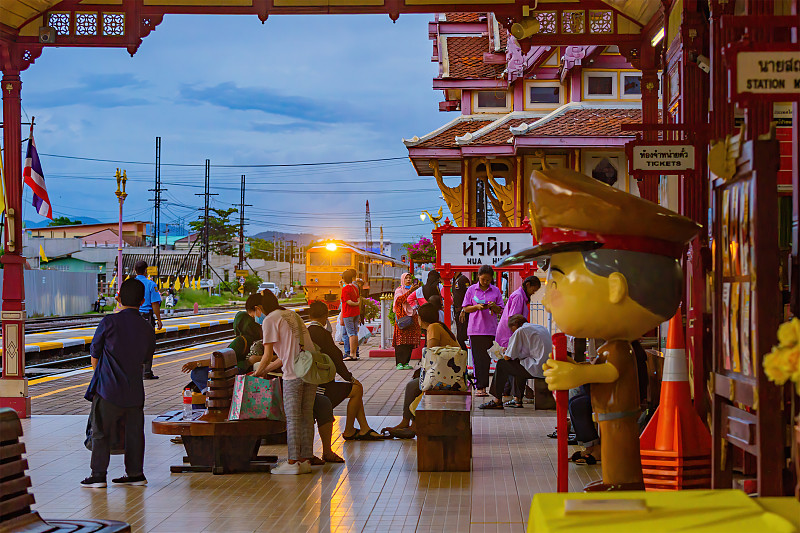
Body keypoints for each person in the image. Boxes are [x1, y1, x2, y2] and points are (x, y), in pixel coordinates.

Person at [81, 278, 155, 488]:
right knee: (134, 433)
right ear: (142, 301)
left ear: (119, 298)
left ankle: (98, 475)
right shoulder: (146, 327)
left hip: (108, 390)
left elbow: (95, 353)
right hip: (134, 391)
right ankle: (135, 474)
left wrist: (102, 374)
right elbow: (146, 357)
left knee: (101, 431)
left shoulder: (109, 322)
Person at [252, 291, 315, 475]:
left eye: (254, 314)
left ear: (258, 309)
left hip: (293, 375)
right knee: (306, 416)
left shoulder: (269, 319)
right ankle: (305, 460)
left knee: (293, 417)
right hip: (309, 370)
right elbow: (284, 355)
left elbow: (267, 354)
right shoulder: (291, 314)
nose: (256, 318)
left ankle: (293, 461)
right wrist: (263, 371)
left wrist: (256, 373)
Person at [307, 301, 385, 443]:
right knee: (357, 388)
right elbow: (336, 357)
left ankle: (364, 428)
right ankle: (349, 430)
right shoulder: (322, 333)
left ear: (310, 315)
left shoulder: (305, 332)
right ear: (325, 316)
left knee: (356, 389)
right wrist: (349, 378)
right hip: (322, 387)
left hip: (310, 382)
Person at [382, 302, 460, 439]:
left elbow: (431, 353)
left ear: (420, 318)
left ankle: (411, 425)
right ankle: (407, 423)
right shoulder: (438, 326)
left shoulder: (433, 328)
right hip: (448, 373)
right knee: (414, 384)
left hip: (447, 377)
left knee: (413, 385)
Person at [181, 298, 263, 391]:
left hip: (234, 372)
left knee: (197, 373)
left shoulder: (241, 340)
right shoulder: (258, 337)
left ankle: (210, 393)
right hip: (244, 370)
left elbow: (221, 359)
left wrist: (197, 364)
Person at [479, 315, 554, 410]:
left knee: (502, 364)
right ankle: (517, 400)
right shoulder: (540, 328)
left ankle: (496, 400)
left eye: (512, 330)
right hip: (546, 366)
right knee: (518, 363)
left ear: (516, 325)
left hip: (537, 368)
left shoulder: (521, 330)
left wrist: (504, 352)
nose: (512, 332)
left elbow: (507, 357)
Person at [460, 264, 504, 396]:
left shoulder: (495, 291)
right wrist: (477, 307)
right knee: (477, 359)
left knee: (486, 359)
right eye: (483, 279)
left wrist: (493, 306)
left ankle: (484, 385)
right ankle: (480, 387)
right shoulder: (471, 290)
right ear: (478, 276)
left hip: (490, 330)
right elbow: (466, 308)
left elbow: (500, 310)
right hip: (475, 330)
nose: (485, 282)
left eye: (488, 280)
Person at [133, 260, 162, 380]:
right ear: (146, 271)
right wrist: (159, 320)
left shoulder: (130, 284)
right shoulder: (151, 284)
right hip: (146, 317)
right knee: (148, 344)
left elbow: (119, 298)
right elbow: (155, 303)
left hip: (132, 316)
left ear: (135, 270)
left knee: (133, 343)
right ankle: (146, 372)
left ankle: (134, 371)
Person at [392, 273, 421, 370]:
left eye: (410, 278)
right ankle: (399, 363)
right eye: (406, 278)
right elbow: (399, 300)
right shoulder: (399, 290)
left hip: (412, 317)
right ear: (402, 280)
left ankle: (406, 362)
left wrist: (417, 290)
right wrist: (410, 292)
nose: (408, 280)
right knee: (401, 342)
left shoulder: (414, 290)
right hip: (402, 318)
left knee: (410, 341)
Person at [340, 269, 361, 361]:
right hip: (356, 313)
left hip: (348, 313)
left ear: (344, 279)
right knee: (355, 333)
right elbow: (358, 299)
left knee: (351, 334)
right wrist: (357, 304)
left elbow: (348, 302)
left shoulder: (345, 289)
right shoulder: (354, 288)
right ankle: (355, 353)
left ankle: (351, 354)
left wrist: (355, 303)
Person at [452, 272, 470, 350]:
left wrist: (464, 309)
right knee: (459, 335)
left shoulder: (463, 279)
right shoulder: (454, 280)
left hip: (463, 312)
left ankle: (466, 355)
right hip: (456, 311)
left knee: (462, 336)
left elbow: (468, 295)